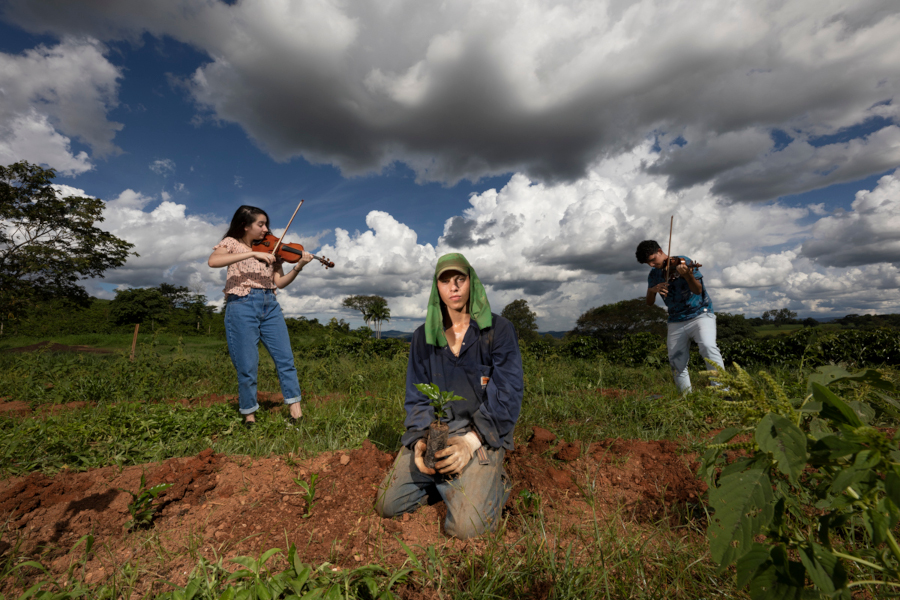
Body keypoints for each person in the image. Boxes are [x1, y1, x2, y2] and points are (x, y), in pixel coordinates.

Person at [375, 253, 524, 538]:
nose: (453, 288)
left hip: (479, 435)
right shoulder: (423, 336)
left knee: (467, 530)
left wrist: (470, 442)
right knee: (388, 505)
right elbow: (417, 397)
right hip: (435, 434)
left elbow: (508, 392)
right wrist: (420, 441)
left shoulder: (498, 330)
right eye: (445, 282)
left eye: (460, 280)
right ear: (437, 288)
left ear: (472, 283)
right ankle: (447, 484)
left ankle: (494, 481)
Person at [208, 205, 313, 427]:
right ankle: (249, 416)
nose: (266, 229)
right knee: (247, 364)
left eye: (266, 224)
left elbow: (280, 283)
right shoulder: (231, 244)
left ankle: (296, 413)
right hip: (242, 304)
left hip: (270, 304)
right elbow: (213, 261)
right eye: (260, 224)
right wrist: (253, 253)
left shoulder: (273, 251)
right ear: (245, 226)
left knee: (286, 359)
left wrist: (299, 266)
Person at [635, 240, 724, 393]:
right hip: (676, 319)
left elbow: (697, 290)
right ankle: (686, 397)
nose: (651, 265)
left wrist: (689, 276)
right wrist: (652, 290)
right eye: (647, 263)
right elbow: (649, 302)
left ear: (660, 251)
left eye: (652, 260)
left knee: (708, 347)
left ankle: (724, 392)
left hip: (700, 314)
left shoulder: (684, 261)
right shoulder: (654, 274)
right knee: (676, 360)